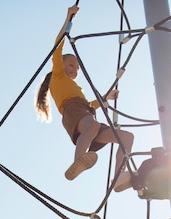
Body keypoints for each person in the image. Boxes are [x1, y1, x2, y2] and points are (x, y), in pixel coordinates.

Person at [35, 4, 135, 192]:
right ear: (61, 64)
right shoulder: (58, 75)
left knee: (127, 137)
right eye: (71, 65)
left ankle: (119, 176)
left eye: (77, 69)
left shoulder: (75, 89)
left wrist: (106, 98)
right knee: (93, 125)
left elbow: (90, 105)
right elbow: (57, 45)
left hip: (86, 114)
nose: (74, 70)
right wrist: (68, 18)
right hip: (72, 112)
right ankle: (78, 160)